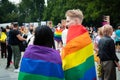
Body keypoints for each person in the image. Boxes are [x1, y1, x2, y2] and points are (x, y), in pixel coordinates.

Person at [61, 9, 96, 80]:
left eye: (68, 21)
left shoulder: (73, 34)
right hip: (85, 72)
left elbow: (66, 56)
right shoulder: (85, 34)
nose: (66, 24)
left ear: (76, 21)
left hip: (75, 73)